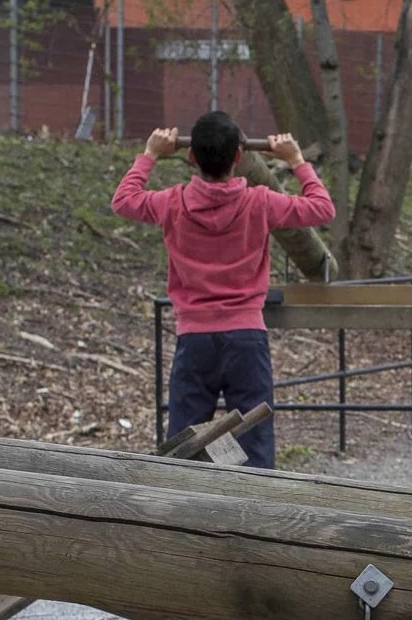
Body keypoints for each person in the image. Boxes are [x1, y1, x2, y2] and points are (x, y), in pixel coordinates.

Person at [112, 112, 334, 469]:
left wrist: (150, 154)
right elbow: (322, 207)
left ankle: (182, 515)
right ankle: (252, 517)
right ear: (238, 158)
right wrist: (295, 160)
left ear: (191, 157)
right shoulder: (260, 202)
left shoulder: (172, 203)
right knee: (255, 441)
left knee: (184, 444)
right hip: (246, 336)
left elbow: (124, 200)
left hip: (195, 338)